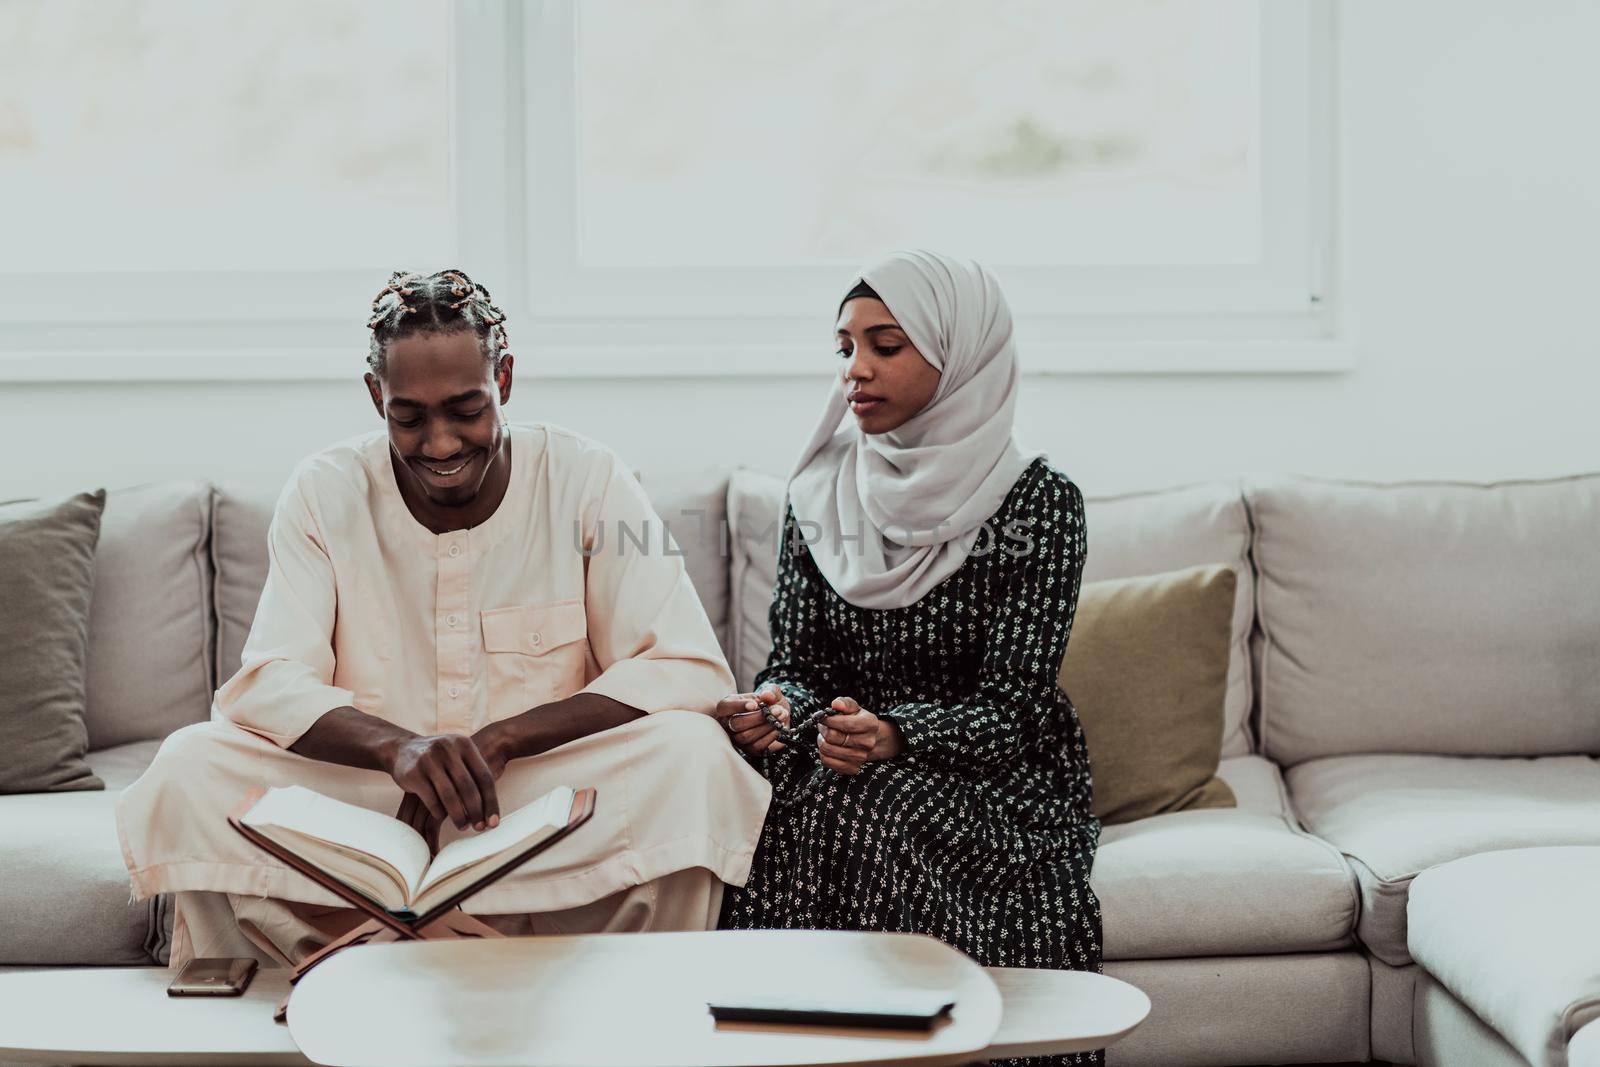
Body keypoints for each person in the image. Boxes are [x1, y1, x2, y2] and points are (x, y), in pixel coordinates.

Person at [117, 268, 770, 969]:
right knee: (190, 762)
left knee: (692, 754)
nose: (440, 443)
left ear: (506, 380)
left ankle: (609, 985)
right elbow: (271, 680)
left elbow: (681, 665)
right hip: (371, 807)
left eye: (466, 409)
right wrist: (397, 749)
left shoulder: (588, 478)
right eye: (410, 416)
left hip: (534, 800)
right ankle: (284, 990)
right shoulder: (324, 490)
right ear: (376, 397)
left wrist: (509, 737)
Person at [713, 250, 1103, 1067]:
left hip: (989, 775)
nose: (855, 370)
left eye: (884, 345)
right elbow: (796, 661)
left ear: (960, 355)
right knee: (789, 799)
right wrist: (779, 706)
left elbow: (1015, 707)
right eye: (845, 347)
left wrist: (897, 732)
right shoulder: (819, 493)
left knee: (867, 807)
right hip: (839, 758)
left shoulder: (1039, 503)